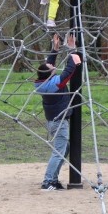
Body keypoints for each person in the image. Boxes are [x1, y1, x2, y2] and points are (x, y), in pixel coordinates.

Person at [35, 33, 82, 190]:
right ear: (49, 75)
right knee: (58, 152)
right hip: (59, 121)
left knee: (64, 149)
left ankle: (53, 180)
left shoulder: (43, 82)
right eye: (52, 69)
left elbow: (48, 65)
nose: (53, 66)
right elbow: (69, 70)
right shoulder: (55, 84)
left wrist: (54, 50)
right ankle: (47, 181)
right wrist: (72, 49)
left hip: (55, 121)